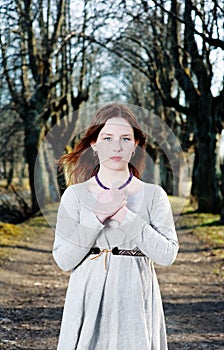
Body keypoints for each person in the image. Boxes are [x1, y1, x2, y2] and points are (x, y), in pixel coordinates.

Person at [53, 102, 179, 350]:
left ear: (135, 146)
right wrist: (98, 216)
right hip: (87, 294)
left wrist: (125, 216)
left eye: (125, 138)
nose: (116, 146)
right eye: (107, 137)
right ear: (94, 144)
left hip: (135, 294)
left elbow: (167, 254)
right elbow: (63, 259)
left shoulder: (154, 195)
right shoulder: (75, 196)